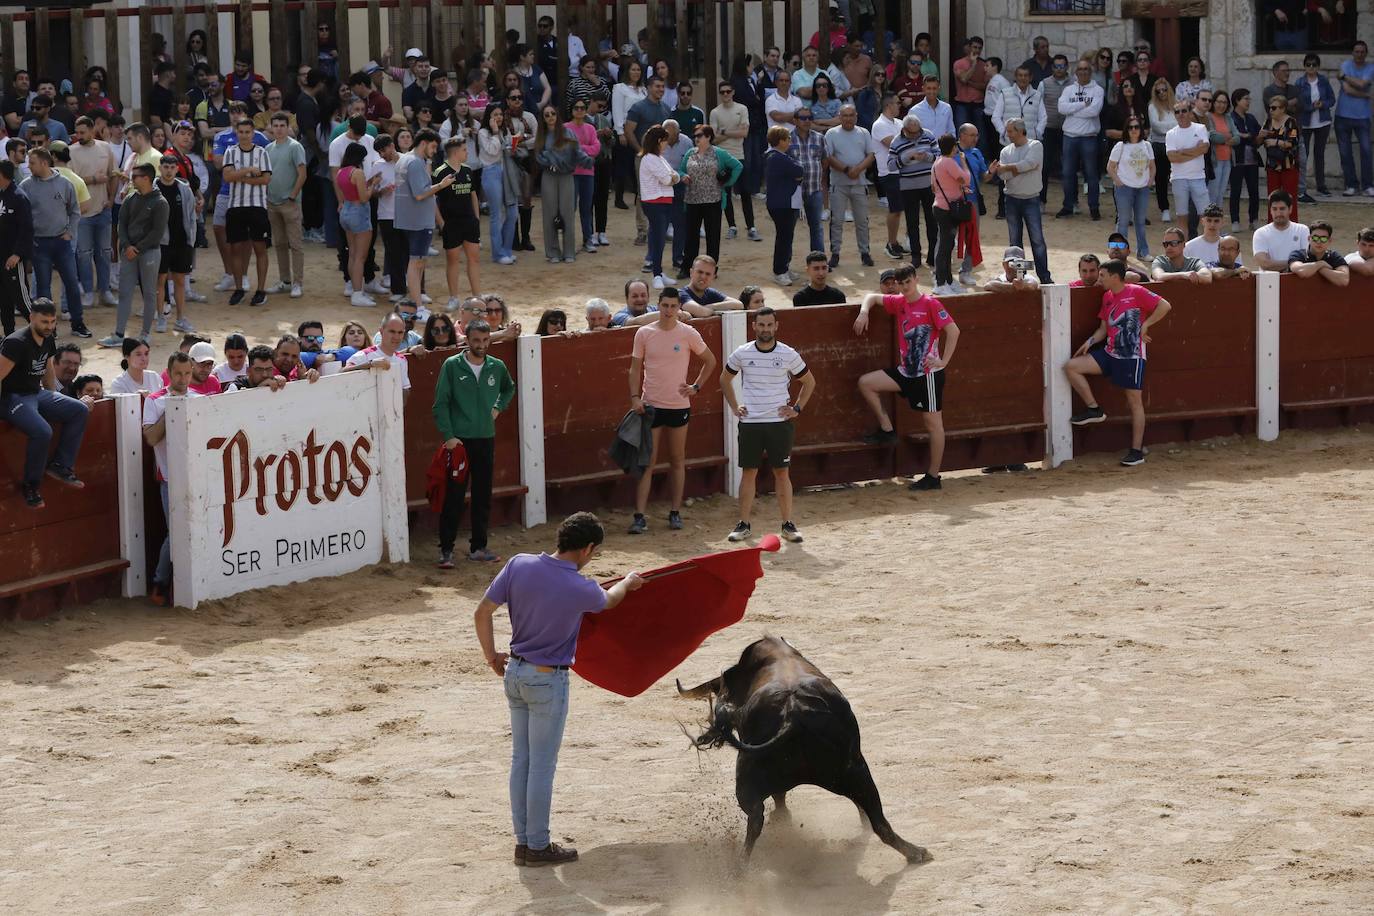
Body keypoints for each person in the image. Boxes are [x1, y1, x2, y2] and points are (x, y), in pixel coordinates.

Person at [474, 511, 645, 869]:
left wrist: (491, 656)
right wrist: (627, 581)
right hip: (547, 680)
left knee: (521, 760)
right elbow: (610, 600)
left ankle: (523, 842)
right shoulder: (579, 587)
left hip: (515, 673)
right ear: (587, 549)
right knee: (541, 767)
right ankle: (537, 845)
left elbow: (483, 612)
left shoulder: (519, 564)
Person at [853, 264, 958, 491]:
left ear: (916, 279)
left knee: (933, 424)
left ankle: (933, 476)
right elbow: (871, 296)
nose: (904, 287)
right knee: (866, 383)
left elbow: (953, 331)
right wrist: (864, 312)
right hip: (906, 372)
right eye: (900, 284)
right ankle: (887, 429)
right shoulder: (899, 301)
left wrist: (944, 361)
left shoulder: (931, 303)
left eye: (907, 282)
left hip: (928, 375)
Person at [627, 287, 717, 534]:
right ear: (658, 306)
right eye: (664, 306)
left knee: (677, 459)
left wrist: (696, 387)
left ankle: (675, 512)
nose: (668, 311)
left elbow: (711, 361)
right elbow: (635, 369)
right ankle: (639, 515)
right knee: (648, 461)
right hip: (651, 404)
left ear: (679, 308)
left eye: (673, 306)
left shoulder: (688, 333)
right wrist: (635, 397)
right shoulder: (644, 333)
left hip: (678, 405)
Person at [720, 307, 815, 544]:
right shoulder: (742, 352)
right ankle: (743, 524)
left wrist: (796, 409)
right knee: (749, 472)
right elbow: (724, 378)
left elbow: (809, 382)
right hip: (751, 422)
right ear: (754, 327)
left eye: (769, 325)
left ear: (776, 326)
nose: (765, 329)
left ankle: (787, 524)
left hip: (779, 423)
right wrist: (735, 406)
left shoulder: (787, 354)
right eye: (761, 325)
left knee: (782, 472)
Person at [1065, 259, 1172, 468]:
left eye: (1103, 275)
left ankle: (1136, 450)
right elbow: (1104, 329)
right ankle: (1094, 409)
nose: (1099, 279)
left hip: (1132, 357)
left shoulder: (1136, 291)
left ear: (1114, 276)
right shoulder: (1107, 297)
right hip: (1110, 352)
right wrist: (1089, 341)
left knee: (1134, 402)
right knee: (1072, 366)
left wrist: (1145, 325)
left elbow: (1165, 306)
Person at [433, 318, 515, 566]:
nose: (481, 345)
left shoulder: (496, 366)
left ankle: (478, 547)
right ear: (467, 340)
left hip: (485, 439)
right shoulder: (452, 365)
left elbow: (508, 389)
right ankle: (446, 550)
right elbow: (440, 404)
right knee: (454, 496)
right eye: (476, 340)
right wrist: (448, 436)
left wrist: (498, 408)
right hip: (459, 443)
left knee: (482, 495)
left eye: (485, 340)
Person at [0, 298, 88, 508]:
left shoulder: (48, 338)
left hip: (35, 394)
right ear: (31, 318)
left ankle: (61, 465)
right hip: (13, 397)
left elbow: (47, 368)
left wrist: (54, 398)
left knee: (79, 410)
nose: (48, 326)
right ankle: (30, 485)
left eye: (52, 322)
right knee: (42, 431)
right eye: (44, 322)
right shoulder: (16, 342)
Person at [98, 164, 169, 348]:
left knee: (149, 293)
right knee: (125, 293)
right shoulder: (130, 199)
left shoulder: (160, 203)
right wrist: (127, 245)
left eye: (136, 176)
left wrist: (135, 248)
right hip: (130, 252)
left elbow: (157, 232)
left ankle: (145, 334)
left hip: (148, 252)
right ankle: (119, 333)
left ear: (146, 178)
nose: (132, 179)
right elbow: (121, 224)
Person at [22, 147, 89, 338]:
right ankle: (49, 328)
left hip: (61, 242)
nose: (29, 166)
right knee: (43, 288)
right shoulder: (26, 185)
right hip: (39, 244)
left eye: (32, 162)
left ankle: (78, 323)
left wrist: (70, 233)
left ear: (44, 163)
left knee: (71, 284)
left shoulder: (65, 184)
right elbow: (23, 215)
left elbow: (75, 211)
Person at [989, 118, 1051, 284]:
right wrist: (1020, 168)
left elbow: (1029, 164)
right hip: (1012, 199)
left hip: (1030, 198)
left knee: (1037, 240)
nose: (1007, 134)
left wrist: (1009, 168)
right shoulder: (1005, 151)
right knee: (1015, 243)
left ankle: (1044, 276)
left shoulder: (1035, 145)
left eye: (1010, 131)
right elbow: (1004, 175)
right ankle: (1020, 277)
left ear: (1020, 131)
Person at [220, 119, 273, 306]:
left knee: (260, 248)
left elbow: (266, 179)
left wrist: (242, 178)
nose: (244, 135)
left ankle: (261, 290)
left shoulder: (262, 152)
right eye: (241, 131)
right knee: (235, 248)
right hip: (235, 206)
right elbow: (227, 177)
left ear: (253, 133)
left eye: (247, 132)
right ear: (237, 133)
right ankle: (239, 288)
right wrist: (250, 171)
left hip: (257, 206)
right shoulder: (230, 152)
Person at [677, 125, 741, 273]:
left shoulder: (719, 153)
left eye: (699, 135)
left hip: (713, 200)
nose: (696, 139)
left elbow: (737, 166)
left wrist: (728, 183)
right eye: (695, 136)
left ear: (708, 137)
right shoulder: (690, 153)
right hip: (692, 200)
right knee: (691, 236)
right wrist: (682, 176)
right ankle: (688, 267)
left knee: (713, 236)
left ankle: (711, 269)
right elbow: (680, 169)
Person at [69, 116, 118, 310]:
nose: (78, 136)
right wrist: (93, 179)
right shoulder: (71, 151)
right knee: (83, 254)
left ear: (91, 130)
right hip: (82, 212)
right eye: (77, 132)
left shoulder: (105, 148)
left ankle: (104, 290)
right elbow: (71, 180)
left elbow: (113, 175)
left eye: (82, 132)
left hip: (103, 209)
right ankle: (88, 292)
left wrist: (112, 198)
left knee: (105, 252)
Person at [397, 129, 449, 302]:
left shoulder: (405, 159)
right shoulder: (416, 162)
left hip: (410, 219)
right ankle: (417, 306)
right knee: (416, 262)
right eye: (433, 147)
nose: (434, 151)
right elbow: (420, 194)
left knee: (417, 262)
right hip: (418, 220)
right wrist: (441, 185)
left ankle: (415, 300)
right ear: (424, 143)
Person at [887, 112, 937, 270]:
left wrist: (926, 157)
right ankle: (916, 256)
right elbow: (890, 165)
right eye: (912, 132)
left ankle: (932, 255)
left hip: (929, 185)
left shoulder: (928, 135)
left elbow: (940, 156)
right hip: (908, 187)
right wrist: (907, 157)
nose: (915, 135)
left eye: (917, 131)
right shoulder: (896, 141)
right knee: (912, 222)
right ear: (905, 129)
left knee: (932, 221)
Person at [433, 136, 481, 302]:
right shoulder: (440, 172)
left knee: (474, 259)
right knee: (453, 260)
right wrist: (441, 223)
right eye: (464, 150)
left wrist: (476, 217)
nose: (467, 152)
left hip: (469, 222)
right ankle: (454, 297)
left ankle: (477, 296)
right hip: (451, 223)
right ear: (454, 152)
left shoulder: (467, 171)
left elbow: (473, 194)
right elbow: (432, 198)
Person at [264, 112, 306, 299]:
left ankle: (298, 283)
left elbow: (302, 174)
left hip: (290, 203)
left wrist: (292, 196)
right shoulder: (268, 148)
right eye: (276, 125)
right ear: (271, 128)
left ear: (288, 127)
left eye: (282, 125)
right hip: (272, 202)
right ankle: (284, 280)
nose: (279, 129)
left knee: (295, 244)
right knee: (279, 243)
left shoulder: (295, 147)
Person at [1056, 59, 1104, 221]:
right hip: (1069, 137)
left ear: (1090, 72)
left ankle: (1094, 207)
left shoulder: (1097, 90)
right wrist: (1083, 104)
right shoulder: (1069, 89)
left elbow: (1094, 111)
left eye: (1086, 69)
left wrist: (1074, 110)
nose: (1083, 72)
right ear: (1076, 72)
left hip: (1089, 137)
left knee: (1091, 174)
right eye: (1080, 69)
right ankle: (1068, 206)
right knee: (1068, 173)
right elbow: (1061, 109)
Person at [709, 80, 757, 241]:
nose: (725, 94)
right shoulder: (715, 112)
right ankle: (732, 226)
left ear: (733, 92)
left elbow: (744, 133)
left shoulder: (741, 109)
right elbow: (713, 139)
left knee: (745, 192)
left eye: (728, 91)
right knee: (725, 193)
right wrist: (733, 131)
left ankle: (751, 226)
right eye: (722, 92)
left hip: (739, 156)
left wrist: (723, 131)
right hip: (722, 157)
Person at [155, 155, 197, 334]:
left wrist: (191, 240)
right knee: (160, 282)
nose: (169, 170)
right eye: (166, 167)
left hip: (181, 242)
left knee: (180, 280)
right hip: (160, 244)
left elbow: (191, 216)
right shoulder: (153, 189)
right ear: (160, 167)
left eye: (172, 167)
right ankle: (161, 318)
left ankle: (180, 318)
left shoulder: (184, 189)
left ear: (177, 169)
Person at [335, 141, 377, 308]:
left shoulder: (341, 172)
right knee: (360, 256)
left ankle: (355, 289)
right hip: (359, 213)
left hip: (346, 211)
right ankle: (358, 294)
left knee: (352, 254)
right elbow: (364, 197)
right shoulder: (357, 172)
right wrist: (373, 185)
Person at [638, 125, 680, 290]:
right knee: (658, 239)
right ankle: (656, 274)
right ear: (658, 141)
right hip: (655, 203)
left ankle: (659, 272)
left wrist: (673, 177)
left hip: (662, 202)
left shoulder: (658, 158)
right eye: (664, 141)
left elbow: (673, 175)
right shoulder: (650, 158)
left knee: (659, 237)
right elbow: (668, 179)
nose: (666, 144)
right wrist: (673, 177)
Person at [1108, 116, 1155, 258]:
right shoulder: (1120, 146)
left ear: (1141, 129)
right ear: (1126, 130)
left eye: (1136, 127)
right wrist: (1118, 181)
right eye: (1130, 127)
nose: (1134, 130)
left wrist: (1150, 180)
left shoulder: (1147, 145)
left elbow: (1152, 166)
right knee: (1123, 220)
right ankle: (1120, 253)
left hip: (1142, 188)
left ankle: (1143, 251)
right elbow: (1110, 167)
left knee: (1140, 221)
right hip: (1125, 188)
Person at [930, 134, 971, 297]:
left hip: (941, 206)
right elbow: (965, 179)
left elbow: (933, 187)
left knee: (947, 246)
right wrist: (963, 162)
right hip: (947, 209)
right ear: (953, 147)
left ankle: (947, 280)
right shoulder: (948, 162)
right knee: (945, 248)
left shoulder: (937, 162)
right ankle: (940, 283)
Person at [478, 105, 519, 265]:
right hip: (490, 172)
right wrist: (495, 133)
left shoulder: (505, 131)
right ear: (489, 117)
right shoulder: (483, 133)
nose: (499, 117)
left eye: (501, 114)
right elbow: (492, 150)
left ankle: (506, 250)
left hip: (506, 171)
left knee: (513, 212)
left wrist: (513, 147)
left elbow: (505, 150)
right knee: (496, 214)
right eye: (495, 114)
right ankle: (498, 253)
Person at [763, 126, 803, 286]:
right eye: (787, 139)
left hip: (783, 203)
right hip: (782, 204)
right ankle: (779, 271)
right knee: (784, 238)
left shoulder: (775, 156)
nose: (790, 141)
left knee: (786, 237)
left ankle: (784, 268)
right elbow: (799, 170)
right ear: (780, 141)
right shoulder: (777, 157)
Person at [1166, 98, 1211, 239]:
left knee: (1205, 216)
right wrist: (1194, 150)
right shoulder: (1171, 133)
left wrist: (1182, 152)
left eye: (1184, 111)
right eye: (1177, 112)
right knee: (1182, 217)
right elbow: (1172, 157)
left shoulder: (1200, 128)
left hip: (1198, 177)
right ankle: (1183, 249)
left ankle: (1207, 245)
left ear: (1190, 112)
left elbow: (1204, 148)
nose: (1181, 114)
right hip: (1178, 178)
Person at [1335, 41, 1374, 197]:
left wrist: (1345, 77)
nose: (1359, 54)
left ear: (1366, 53)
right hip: (1342, 115)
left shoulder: (1370, 67)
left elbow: (1362, 84)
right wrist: (1366, 95)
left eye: (1362, 52)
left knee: (1366, 151)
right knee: (1345, 153)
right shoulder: (1345, 65)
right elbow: (1347, 90)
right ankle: (1351, 185)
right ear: (1352, 52)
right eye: (1357, 51)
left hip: (1362, 117)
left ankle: (1367, 186)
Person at [788, 105, 826, 257]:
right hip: (793, 191)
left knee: (816, 227)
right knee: (788, 229)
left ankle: (818, 261)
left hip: (814, 189)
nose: (807, 121)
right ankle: (786, 264)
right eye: (803, 118)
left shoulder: (819, 137)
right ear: (795, 120)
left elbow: (825, 161)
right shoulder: (787, 138)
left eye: (809, 118)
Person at [0, 159, 33, 336]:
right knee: (4, 300)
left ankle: (46, 333)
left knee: (22, 299)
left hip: (12, 258)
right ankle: (9, 335)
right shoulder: (1, 195)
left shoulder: (19, 197)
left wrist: (18, 254)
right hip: (0, 257)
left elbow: (27, 229)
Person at [1295, 53, 1334, 203]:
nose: (1311, 67)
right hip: (1305, 123)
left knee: (1320, 154)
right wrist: (1311, 107)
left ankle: (1321, 186)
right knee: (1304, 157)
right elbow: (1298, 104)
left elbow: (1332, 99)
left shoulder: (1323, 81)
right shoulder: (1299, 82)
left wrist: (1322, 104)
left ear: (1318, 66)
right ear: (1304, 66)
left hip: (1322, 122)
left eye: (1314, 65)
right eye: (1308, 64)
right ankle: (1301, 189)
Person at [566, 98, 602, 253]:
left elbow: (597, 148)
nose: (579, 110)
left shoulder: (591, 128)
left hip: (588, 173)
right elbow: (566, 149)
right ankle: (570, 242)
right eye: (576, 107)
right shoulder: (565, 128)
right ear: (572, 110)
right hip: (571, 173)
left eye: (582, 108)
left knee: (586, 208)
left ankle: (587, 240)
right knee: (570, 209)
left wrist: (578, 148)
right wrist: (585, 149)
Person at [1259, 98, 1301, 222]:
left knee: (1290, 196)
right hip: (1272, 165)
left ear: (1283, 108)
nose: (1271, 110)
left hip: (1288, 164)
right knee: (1272, 196)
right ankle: (1271, 223)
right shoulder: (1267, 122)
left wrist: (1275, 142)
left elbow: (1293, 142)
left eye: (1274, 108)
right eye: (1269, 108)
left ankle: (1292, 223)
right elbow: (1259, 142)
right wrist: (1260, 136)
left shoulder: (1291, 122)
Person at [1230, 89, 1263, 231]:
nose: (1248, 102)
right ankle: (1235, 220)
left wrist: (1248, 136)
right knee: (1235, 190)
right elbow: (1236, 138)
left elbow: (1257, 136)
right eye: (1245, 99)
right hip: (1237, 159)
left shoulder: (1251, 118)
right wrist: (1249, 136)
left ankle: (1253, 219)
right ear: (1237, 100)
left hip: (1252, 159)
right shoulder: (1230, 118)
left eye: (1249, 99)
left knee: (1254, 191)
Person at [1251, 190, 1309, 271]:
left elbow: (1306, 260)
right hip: (1269, 282)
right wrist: (1295, 264)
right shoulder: (1260, 233)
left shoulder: (1302, 230)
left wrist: (1274, 264)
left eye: (1282, 209)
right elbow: (1265, 264)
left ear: (1290, 209)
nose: (1278, 213)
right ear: (1270, 210)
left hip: (1296, 281)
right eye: (1274, 209)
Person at [1288, 219, 1349, 286]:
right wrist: (1320, 264)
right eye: (1315, 238)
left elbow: (1344, 280)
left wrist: (1320, 268)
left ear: (1329, 241)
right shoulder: (1298, 254)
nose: (1319, 242)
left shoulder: (1334, 256)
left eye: (1323, 238)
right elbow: (1300, 271)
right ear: (1309, 239)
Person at [676, 256, 744, 313]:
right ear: (691, 272)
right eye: (700, 272)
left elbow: (739, 305)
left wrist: (711, 307)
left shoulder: (710, 292)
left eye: (708, 274)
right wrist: (716, 310)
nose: (703, 277)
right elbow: (701, 312)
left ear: (713, 277)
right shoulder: (680, 294)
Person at [952, 37, 989, 135]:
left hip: (978, 104)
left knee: (980, 134)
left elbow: (985, 86)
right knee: (962, 133)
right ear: (969, 47)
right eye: (974, 47)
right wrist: (973, 64)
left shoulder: (984, 65)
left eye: (979, 48)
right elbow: (964, 79)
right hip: (962, 104)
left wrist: (971, 83)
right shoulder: (959, 63)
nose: (977, 50)